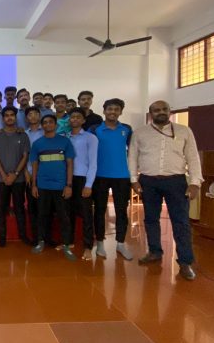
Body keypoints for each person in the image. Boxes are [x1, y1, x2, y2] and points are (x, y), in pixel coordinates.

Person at [129, 100, 203, 281]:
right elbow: (132, 157)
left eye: (164, 109)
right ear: (151, 113)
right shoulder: (140, 133)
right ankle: (155, 251)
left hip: (176, 181)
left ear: (170, 111)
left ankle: (185, 261)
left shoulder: (184, 131)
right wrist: (134, 180)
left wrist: (195, 182)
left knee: (181, 222)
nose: (161, 112)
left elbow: (193, 157)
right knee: (151, 219)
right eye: (156, 110)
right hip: (148, 181)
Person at [89, 98, 133, 260]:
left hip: (122, 176)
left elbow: (133, 151)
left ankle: (120, 244)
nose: (113, 112)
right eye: (110, 109)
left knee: (121, 211)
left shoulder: (127, 129)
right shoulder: (94, 129)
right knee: (100, 211)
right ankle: (100, 243)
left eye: (116, 109)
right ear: (104, 111)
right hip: (99, 176)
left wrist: (134, 174)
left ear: (120, 112)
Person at [30, 114, 75, 260]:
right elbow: (34, 165)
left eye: (50, 122)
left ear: (55, 125)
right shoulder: (37, 144)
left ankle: (66, 244)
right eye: (45, 122)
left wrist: (69, 185)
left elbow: (70, 164)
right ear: (42, 126)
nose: (48, 124)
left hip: (61, 186)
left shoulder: (65, 142)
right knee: (42, 215)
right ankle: (41, 241)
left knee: (64, 217)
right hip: (42, 186)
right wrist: (34, 185)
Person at [0, 106, 30, 247]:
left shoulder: (23, 135)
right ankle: (2, 237)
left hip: (18, 179)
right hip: (1, 178)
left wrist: (15, 174)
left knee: (19, 208)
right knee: (1, 208)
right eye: (6, 115)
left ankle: (23, 235)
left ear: (15, 117)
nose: (9, 117)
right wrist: (4, 175)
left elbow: (25, 156)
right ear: (3, 119)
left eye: (12, 115)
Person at [67, 108, 98, 261]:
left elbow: (93, 163)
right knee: (68, 212)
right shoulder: (65, 137)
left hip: (83, 179)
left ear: (83, 120)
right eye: (72, 117)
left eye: (78, 117)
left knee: (86, 214)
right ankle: (69, 241)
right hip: (67, 179)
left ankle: (87, 246)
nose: (75, 119)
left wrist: (89, 185)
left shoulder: (90, 138)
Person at [24, 106, 44, 244]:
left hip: (44, 174)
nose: (33, 116)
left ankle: (45, 237)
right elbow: (22, 155)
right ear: (26, 118)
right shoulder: (24, 134)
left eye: (35, 114)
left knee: (45, 207)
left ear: (39, 115)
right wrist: (26, 171)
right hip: (29, 175)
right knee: (32, 208)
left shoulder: (46, 132)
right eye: (30, 114)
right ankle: (36, 237)